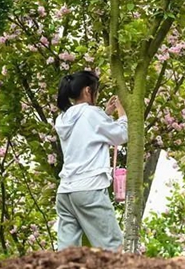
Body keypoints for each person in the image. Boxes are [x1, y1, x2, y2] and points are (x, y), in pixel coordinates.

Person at [54, 70, 127, 251]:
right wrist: (122, 114)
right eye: (96, 91)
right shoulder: (91, 114)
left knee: (67, 253)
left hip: (65, 193)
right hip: (89, 190)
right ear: (88, 91)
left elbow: (86, 132)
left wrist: (105, 114)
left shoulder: (63, 118)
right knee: (112, 247)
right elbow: (121, 135)